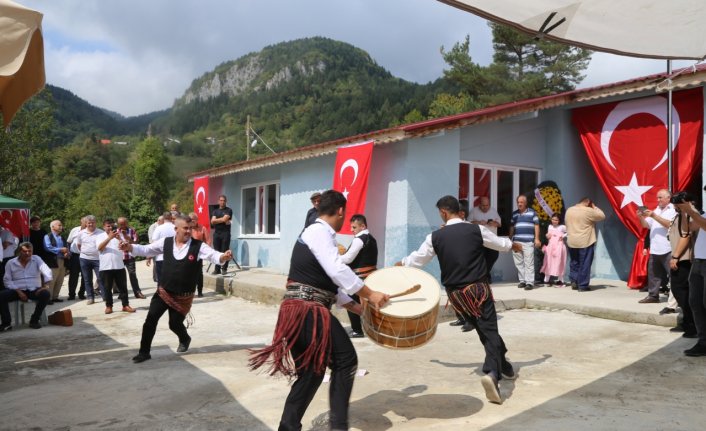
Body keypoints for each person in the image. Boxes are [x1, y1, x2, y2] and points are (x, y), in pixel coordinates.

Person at [249, 190, 389, 431]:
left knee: (311, 373)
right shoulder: (319, 231)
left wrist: (358, 307)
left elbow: (329, 283)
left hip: (299, 310)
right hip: (308, 310)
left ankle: (288, 427)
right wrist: (370, 294)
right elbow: (336, 270)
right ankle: (338, 427)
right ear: (341, 211)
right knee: (346, 361)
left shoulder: (316, 234)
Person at [396, 195, 522, 404]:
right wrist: (514, 245)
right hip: (477, 291)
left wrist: (400, 264)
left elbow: (417, 259)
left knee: (484, 329)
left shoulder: (435, 237)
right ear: (459, 211)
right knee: (489, 330)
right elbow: (499, 243)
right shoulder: (476, 230)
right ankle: (492, 373)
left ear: (444, 213)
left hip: (458, 298)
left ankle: (505, 365)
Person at [122, 215, 233, 363]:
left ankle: (185, 338)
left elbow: (213, 255)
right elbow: (146, 249)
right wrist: (129, 247)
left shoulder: (198, 246)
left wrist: (223, 257)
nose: (188, 231)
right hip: (163, 292)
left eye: (190, 228)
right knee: (150, 320)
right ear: (176, 229)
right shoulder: (165, 243)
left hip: (183, 296)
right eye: (185, 228)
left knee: (174, 324)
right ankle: (144, 352)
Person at [674, 200, 706, 356]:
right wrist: (684, 212)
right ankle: (703, 342)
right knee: (695, 302)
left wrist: (691, 211)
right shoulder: (704, 214)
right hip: (699, 262)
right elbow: (687, 229)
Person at [340, 213, 378, 338]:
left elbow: (348, 259)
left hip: (359, 277)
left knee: (351, 302)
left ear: (362, 226)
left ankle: (357, 330)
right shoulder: (372, 239)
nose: (351, 230)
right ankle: (374, 329)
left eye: (354, 227)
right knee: (371, 303)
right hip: (372, 275)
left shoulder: (359, 239)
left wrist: (335, 258)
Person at [0, 242, 52, 331]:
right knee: (1, 295)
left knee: (46, 294)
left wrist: (46, 286)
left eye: (29, 251)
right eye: (24, 251)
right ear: (19, 251)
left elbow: (47, 271)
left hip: (34, 289)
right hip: (17, 290)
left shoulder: (36, 259)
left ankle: (34, 319)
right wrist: (18, 291)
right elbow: (7, 280)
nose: (27, 253)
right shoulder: (11, 263)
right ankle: (6, 323)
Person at [638, 189, 676, 303]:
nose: (658, 200)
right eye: (657, 197)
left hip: (668, 247)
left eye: (660, 197)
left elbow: (670, 225)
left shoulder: (673, 209)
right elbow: (646, 225)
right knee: (654, 275)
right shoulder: (657, 209)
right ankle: (653, 296)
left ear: (668, 198)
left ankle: (676, 298)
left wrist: (654, 216)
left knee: (673, 274)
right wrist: (640, 217)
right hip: (655, 248)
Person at [665, 204, 697, 337]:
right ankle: (688, 321)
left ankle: (692, 325)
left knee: (682, 291)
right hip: (679, 257)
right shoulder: (678, 215)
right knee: (680, 291)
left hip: (684, 258)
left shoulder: (688, 214)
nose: (674, 204)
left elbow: (686, 235)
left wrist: (676, 256)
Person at [96, 219, 136, 315]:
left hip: (119, 265)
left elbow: (129, 245)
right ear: (103, 227)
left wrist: (120, 239)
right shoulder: (99, 236)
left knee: (123, 287)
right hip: (106, 267)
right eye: (108, 226)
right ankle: (109, 306)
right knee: (107, 288)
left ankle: (125, 305)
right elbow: (100, 248)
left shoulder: (119, 235)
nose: (110, 228)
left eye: (112, 226)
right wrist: (109, 238)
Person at [565, 197, 605, 292]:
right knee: (585, 263)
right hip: (585, 241)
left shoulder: (569, 210)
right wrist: (594, 207)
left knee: (574, 262)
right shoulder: (588, 211)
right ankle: (582, 285)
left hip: (572, 240)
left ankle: (574, 280)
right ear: (587, 202)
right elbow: (602, 216)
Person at [509, 195, 540, 290]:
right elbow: (512, 226)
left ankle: (530, 282)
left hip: (528, 241)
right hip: (516, 241)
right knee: (518, 262)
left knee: (529, 262)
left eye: (521, 202)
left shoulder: (532, 213)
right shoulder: (514, 214)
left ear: (525, 203)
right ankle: (522, 281)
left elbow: (537, 225)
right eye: (518, 202)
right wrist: (510, 238)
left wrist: (537, 238)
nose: (519, 204)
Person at [470, 196, 502, 282]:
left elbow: (499, 224)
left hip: (492, 239)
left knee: (494, 256)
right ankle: (485, 277)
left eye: (487, 205)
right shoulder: (474, 211)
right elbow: (469, 223)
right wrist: (479, 222)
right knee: (481, 259)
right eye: (483, 205)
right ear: (479, 204)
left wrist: (493, 223)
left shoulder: (493, 211)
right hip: (479, 239)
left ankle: (485, 274)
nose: (485, 207)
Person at [76, 215, 105, 304]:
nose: (91, 224)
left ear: (95, 223)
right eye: (89, 223)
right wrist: (86, 252)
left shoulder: (101, 232)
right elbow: (79, 245)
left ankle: (105, 296)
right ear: (86, 224)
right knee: (87, 279)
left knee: (101, 278)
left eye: (92, 223)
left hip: (98, 259)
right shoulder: (81, 233)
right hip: (84, 259)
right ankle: (90, 297)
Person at [116, 217, 145, 299]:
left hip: (129, 256)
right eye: (121, 224)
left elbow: (136, 243)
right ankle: (122, 293)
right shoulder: (115, 232)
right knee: (120, 277)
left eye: (124, 223)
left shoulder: (132, 231)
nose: (122, 225)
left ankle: (137, 292)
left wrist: (127, 238)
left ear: (127, 223)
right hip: (119, 257)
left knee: (132, 274)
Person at [43, 220, 69, 303]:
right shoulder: (47, 236)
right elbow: (48, 248)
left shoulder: (61, 237)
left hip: (62, 261)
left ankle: (55, 297)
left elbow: (67, 248)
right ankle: (48, 298)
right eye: (59, 225)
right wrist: (61, 250)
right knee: (51, 280)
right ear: (53, 227)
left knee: (60, 279)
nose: (61, 227)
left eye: (61, 225)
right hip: (53, 261)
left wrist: (67, 253)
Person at [540, 214, 567, 286]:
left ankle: (561, 280)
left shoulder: (562, 227)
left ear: (559, 221)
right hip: (550, 246)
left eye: (556, 220)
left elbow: (569, 231)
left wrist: (563, 236)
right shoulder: (550, 226)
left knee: (559, 262)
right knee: (548, 262)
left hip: (559, 247)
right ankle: (546, 280)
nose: (554, 221)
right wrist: (547, 235)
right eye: (553, 219)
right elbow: (548, 235)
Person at [189, 212, 210, 297]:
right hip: (188, 254)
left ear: (197, 220)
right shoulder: (187, 229)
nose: (192, 221)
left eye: (194, 219)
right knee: (188, 273)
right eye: (191, 219)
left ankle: (200, 291)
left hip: (198, 254)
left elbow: (208, 240)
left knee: (199, 273)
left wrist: (207, 252)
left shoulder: (203, 228)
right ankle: (190, 291)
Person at [150, 211, 175, 284]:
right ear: (171, 217)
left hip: (160, 258)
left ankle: (162, 295)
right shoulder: (176, 228)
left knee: (161, 281)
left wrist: (150, 255)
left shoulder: (158, 228)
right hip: (173, 257)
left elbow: (154, 243)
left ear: (163, 218)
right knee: (172, 280)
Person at [211, 195, 233, 275]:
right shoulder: (215, 211)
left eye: (224, 200)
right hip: (217, 233)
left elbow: (225, 219)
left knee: (225, 251)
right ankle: (217, 269)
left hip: (225, 233)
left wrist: (218, 220)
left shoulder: (229, 210)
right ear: (218, 201)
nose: (222, 202)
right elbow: (212, 222)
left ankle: (224, 269)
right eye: (221, 200)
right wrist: (222, 220)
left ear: (226, 201)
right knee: (216, 251)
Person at [66, 218, 86, 300]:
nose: (86, 224)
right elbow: (69, 242)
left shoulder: (91, 231)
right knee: (73, 276)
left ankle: (81, 293)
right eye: (84, 222)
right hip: (75, 256)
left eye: (87, 222)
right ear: (81, 222)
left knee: (85, 276)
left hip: (85, 256)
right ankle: (71, 294)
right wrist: (68, 253)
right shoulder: (74, 230)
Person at [1, 225, 18, 289]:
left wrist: (2, 244)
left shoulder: (7, 233)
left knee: (7, 276)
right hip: (2, 258)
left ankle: (7, 290)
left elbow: (5, 245)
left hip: (7, 258)